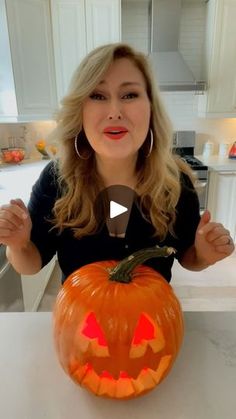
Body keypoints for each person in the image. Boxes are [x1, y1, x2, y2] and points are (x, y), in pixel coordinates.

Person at [0, 43, 234, 284]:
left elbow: (188, 257)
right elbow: (31, 265)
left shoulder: (174, 182)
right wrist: (18, 245)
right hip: (80, 318)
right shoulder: (56, 179)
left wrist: (204, 255)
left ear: (151, 108)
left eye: (129, 95)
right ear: (80, 111)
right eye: (98, 96)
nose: (115, 112)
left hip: (152, 316)